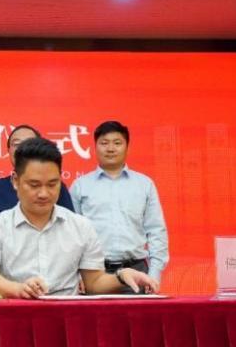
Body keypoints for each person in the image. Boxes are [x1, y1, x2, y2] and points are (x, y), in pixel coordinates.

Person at [0, 137, 159, 298]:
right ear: (15, 181)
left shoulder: (80, 226)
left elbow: (94, 282)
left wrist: (121, 276)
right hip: (14, 317)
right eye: (34, 185)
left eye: (52, 184)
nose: (44, 193)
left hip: (67, 320)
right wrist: (19, 289)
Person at [69, 120, 169, 286]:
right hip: (94, 272)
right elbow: (72, 235)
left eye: (117, 143)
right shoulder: (80, 186)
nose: (110, 148)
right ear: (95, 147)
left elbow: (156, 231)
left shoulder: (144, 184)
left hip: (137, 271)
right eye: (104, 143)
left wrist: (154, 274)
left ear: (127, 147)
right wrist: (79, 276)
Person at [0, 124, 73, 223]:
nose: (22, 148)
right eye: (16, 144)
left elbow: (69, 222)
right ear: (8, 150)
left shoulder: (56, 187)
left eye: (29, 143)